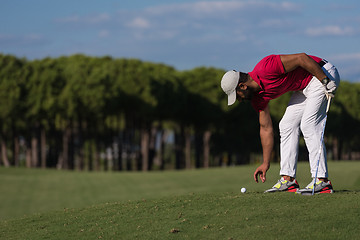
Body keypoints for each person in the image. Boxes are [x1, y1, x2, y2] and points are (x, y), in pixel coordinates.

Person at [220, 53, 340, 194]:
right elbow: (265, 128)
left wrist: (325, 81)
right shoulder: (257, 99)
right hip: (304, 86)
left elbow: (302, 58)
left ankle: (322, 181)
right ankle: (288, 180)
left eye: (237, 95)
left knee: (308, 124)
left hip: (322, 74)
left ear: (242, 86)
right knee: (286, 125)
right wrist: (265, 162)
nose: (239, 100)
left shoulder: (266, 68)